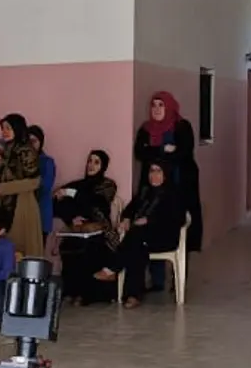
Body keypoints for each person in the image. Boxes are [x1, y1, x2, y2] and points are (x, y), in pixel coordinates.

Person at [96, 160, 185, 307]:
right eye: (151, 171)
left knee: (135, 237)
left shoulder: (174, 194)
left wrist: (149, 220)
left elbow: (177, 219)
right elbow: (130, 208)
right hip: (143, 237)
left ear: (165, 174)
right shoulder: (145, 191)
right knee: (136, 246)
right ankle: (133, 295)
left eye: (158, 171)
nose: (154, 175)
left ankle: (112, 269)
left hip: (165, 237)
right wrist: (126, 219)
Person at [135, 92, 203, 252]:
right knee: (151, 221)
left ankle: (180, 270)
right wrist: (162, 149)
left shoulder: (181, 126)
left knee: (180, 225)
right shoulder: (146, 129)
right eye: (154, 105)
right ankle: (155, 271)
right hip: (153, 188)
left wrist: (151, 151)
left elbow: (183, 152)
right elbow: (139, 152)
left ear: (169, 107)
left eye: (161, 105)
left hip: (180, 185)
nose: (157, 109)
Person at [52, 150, 121, 304]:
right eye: (90, 161)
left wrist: (71, 193)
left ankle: (86, 295)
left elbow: (95, 203)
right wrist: (71, 218)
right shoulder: (78, 185)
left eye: (96, 162)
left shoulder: (107, 185)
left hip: (100, 231)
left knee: (90, 248)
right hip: (77, 231)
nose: (91, 165)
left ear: (103, 166)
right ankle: (71, 291)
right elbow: (57, 203)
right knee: (69, 247)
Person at [0, 114, 45, 258]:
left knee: (22, 250)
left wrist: (4, 188)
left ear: (18, 129)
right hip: (6, 204)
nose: (4, 132)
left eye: (8, 128)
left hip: (23, 205)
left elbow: (35, 181)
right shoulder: (7, 150)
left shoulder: (25, 150)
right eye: (3, 128)